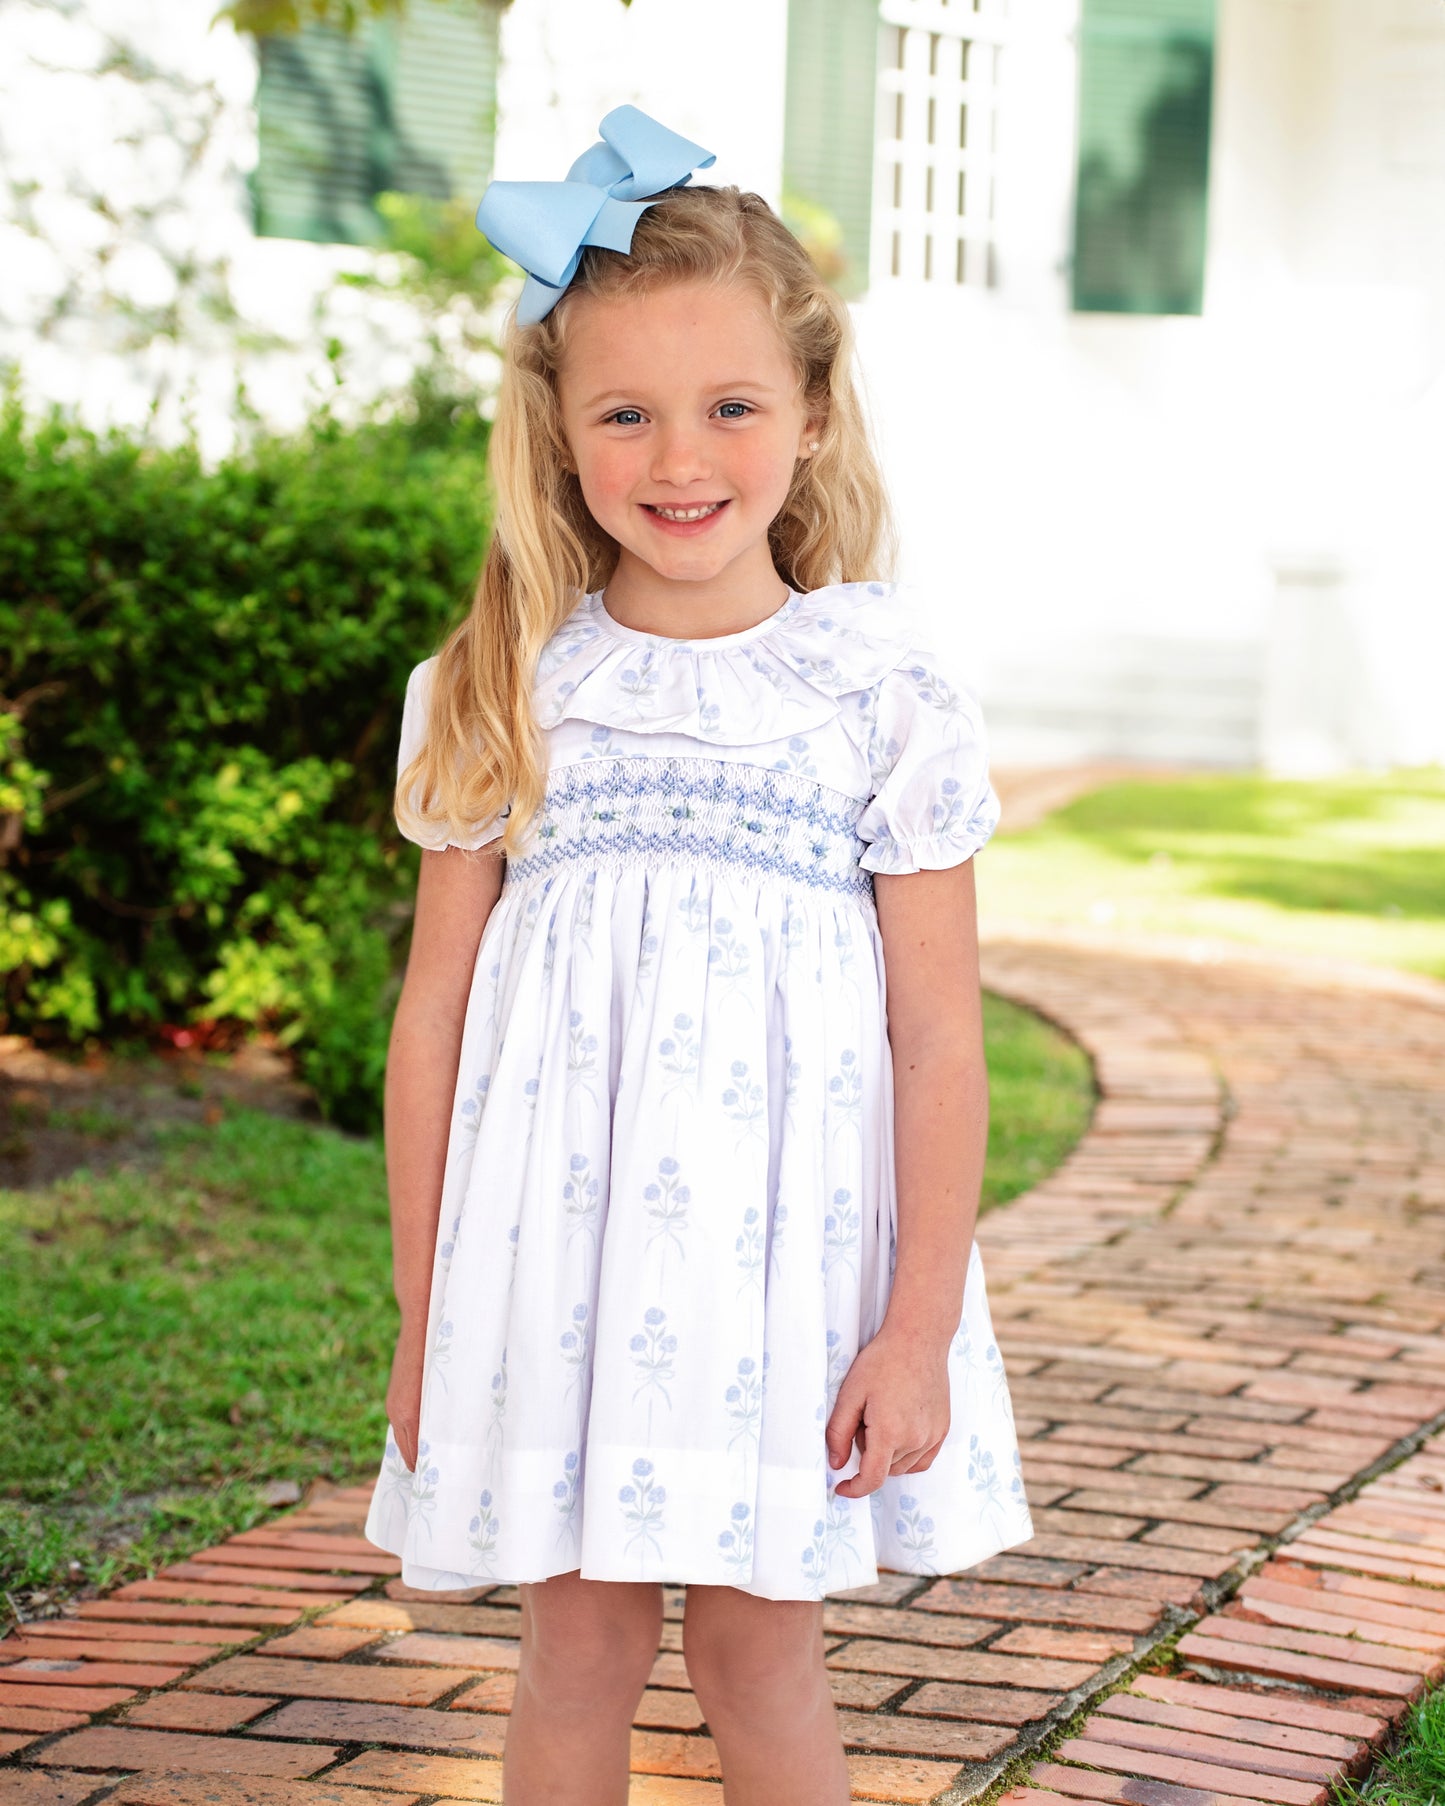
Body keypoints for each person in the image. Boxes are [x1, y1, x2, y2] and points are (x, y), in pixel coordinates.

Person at [362, 104, 1032, 1806]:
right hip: (558, 1272)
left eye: (731, 405)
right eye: (628, 412)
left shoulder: (876, 693)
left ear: (809, 417)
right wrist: (423, 1307)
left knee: (756, 1647)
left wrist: (916, 1324)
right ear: (559, 432)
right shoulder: (504, 688)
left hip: (785, 1287)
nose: (682, 455)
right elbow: (433, 1016)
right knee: (574, 1644)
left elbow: (938, 1038)